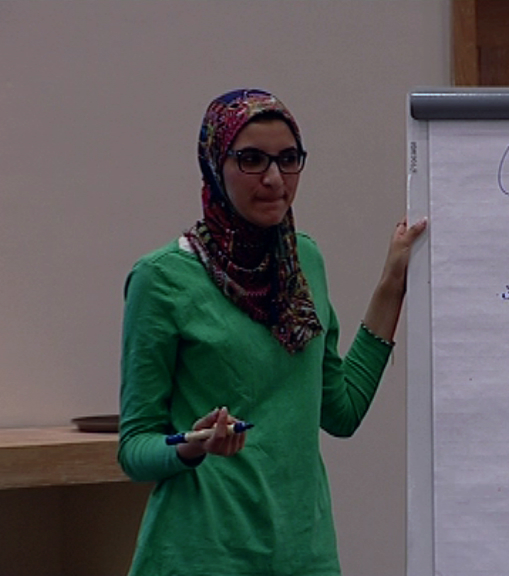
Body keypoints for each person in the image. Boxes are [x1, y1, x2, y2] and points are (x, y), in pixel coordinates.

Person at [117, 88, 426, 575]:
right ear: (215, 165)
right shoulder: (161, 279)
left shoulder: (305, 263)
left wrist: (393, 283)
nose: (274, 178)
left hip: (303, 553)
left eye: (288, 159)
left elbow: (341, 412)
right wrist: (191, 445)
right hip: (201, 555)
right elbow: (135, 449)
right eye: (252, 160)